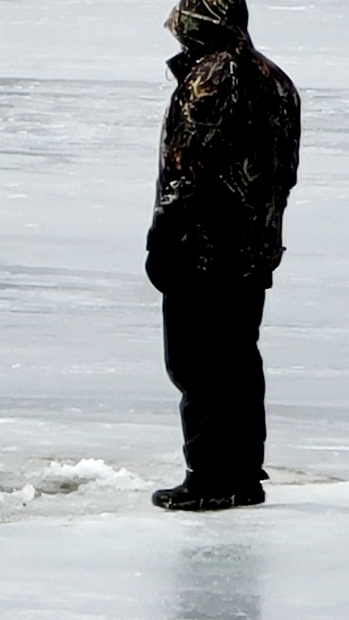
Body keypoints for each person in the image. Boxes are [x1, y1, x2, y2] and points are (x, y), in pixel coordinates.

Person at [145, 0, 300, 510]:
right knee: (238, 357)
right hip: (254, 252)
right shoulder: (278, 81)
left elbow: (185, 171)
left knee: (197, 363)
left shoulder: (207, 80)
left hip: (201, 252)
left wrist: (163, 239)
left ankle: (211, 477)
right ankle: (242, 473)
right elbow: (285, 173)